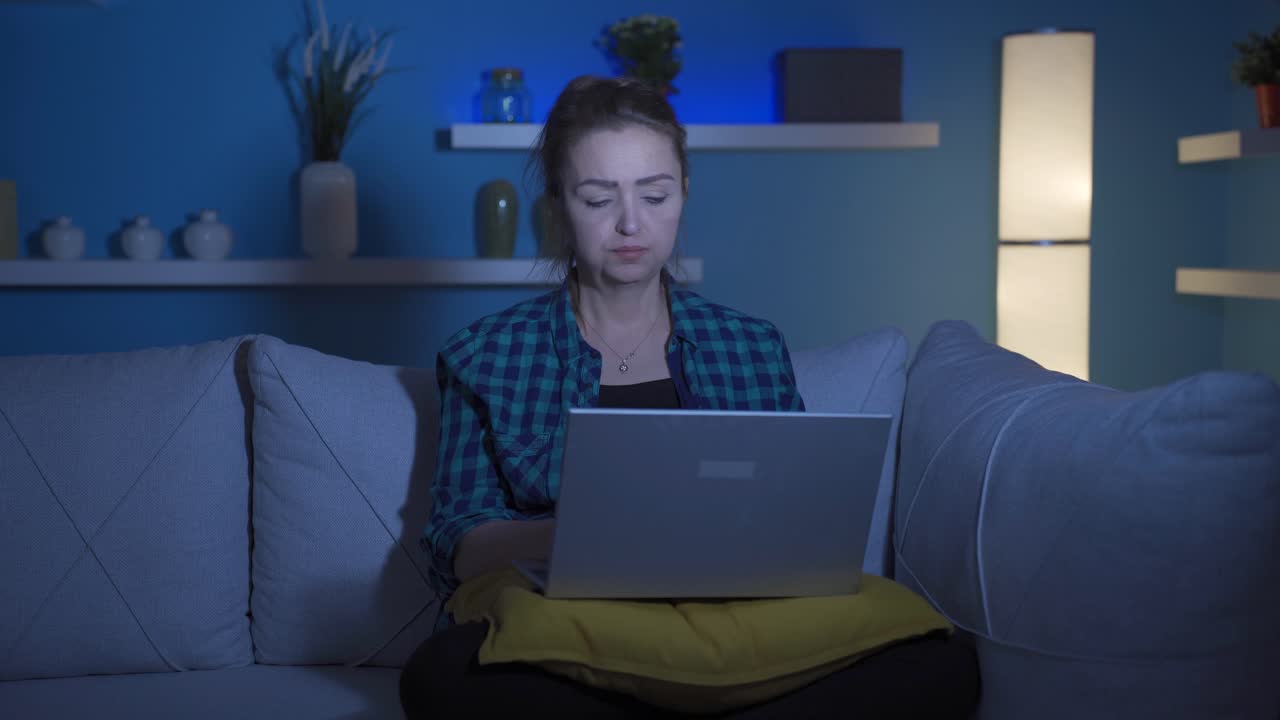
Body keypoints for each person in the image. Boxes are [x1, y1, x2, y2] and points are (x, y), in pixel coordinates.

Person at [400, 75, 979, 718]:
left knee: (941, 661)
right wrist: (584, 537)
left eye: (655, 195)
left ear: (684, 193)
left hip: (742, 624)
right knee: (442, 677)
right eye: (598, 199)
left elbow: (799, 520)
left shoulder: (752, 345)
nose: (630, 223)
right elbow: (460, 542)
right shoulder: (484, 355)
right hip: (574, 629)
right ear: (558, 205)